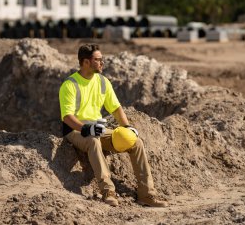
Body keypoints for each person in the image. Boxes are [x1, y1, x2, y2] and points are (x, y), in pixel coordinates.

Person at [58, 44, 168, 207]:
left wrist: (127, 127)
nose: (102, 63)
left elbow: (116, 108)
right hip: (76, 130)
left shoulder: (103, 82)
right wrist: (86, 128)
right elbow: (67, 117)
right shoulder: (69, 85)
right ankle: (108, 192)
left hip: (98, 128)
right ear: (86, 62)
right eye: (98, 59)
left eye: (102, 59)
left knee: (136, 143)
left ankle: (146, 195)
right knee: (93, 141)